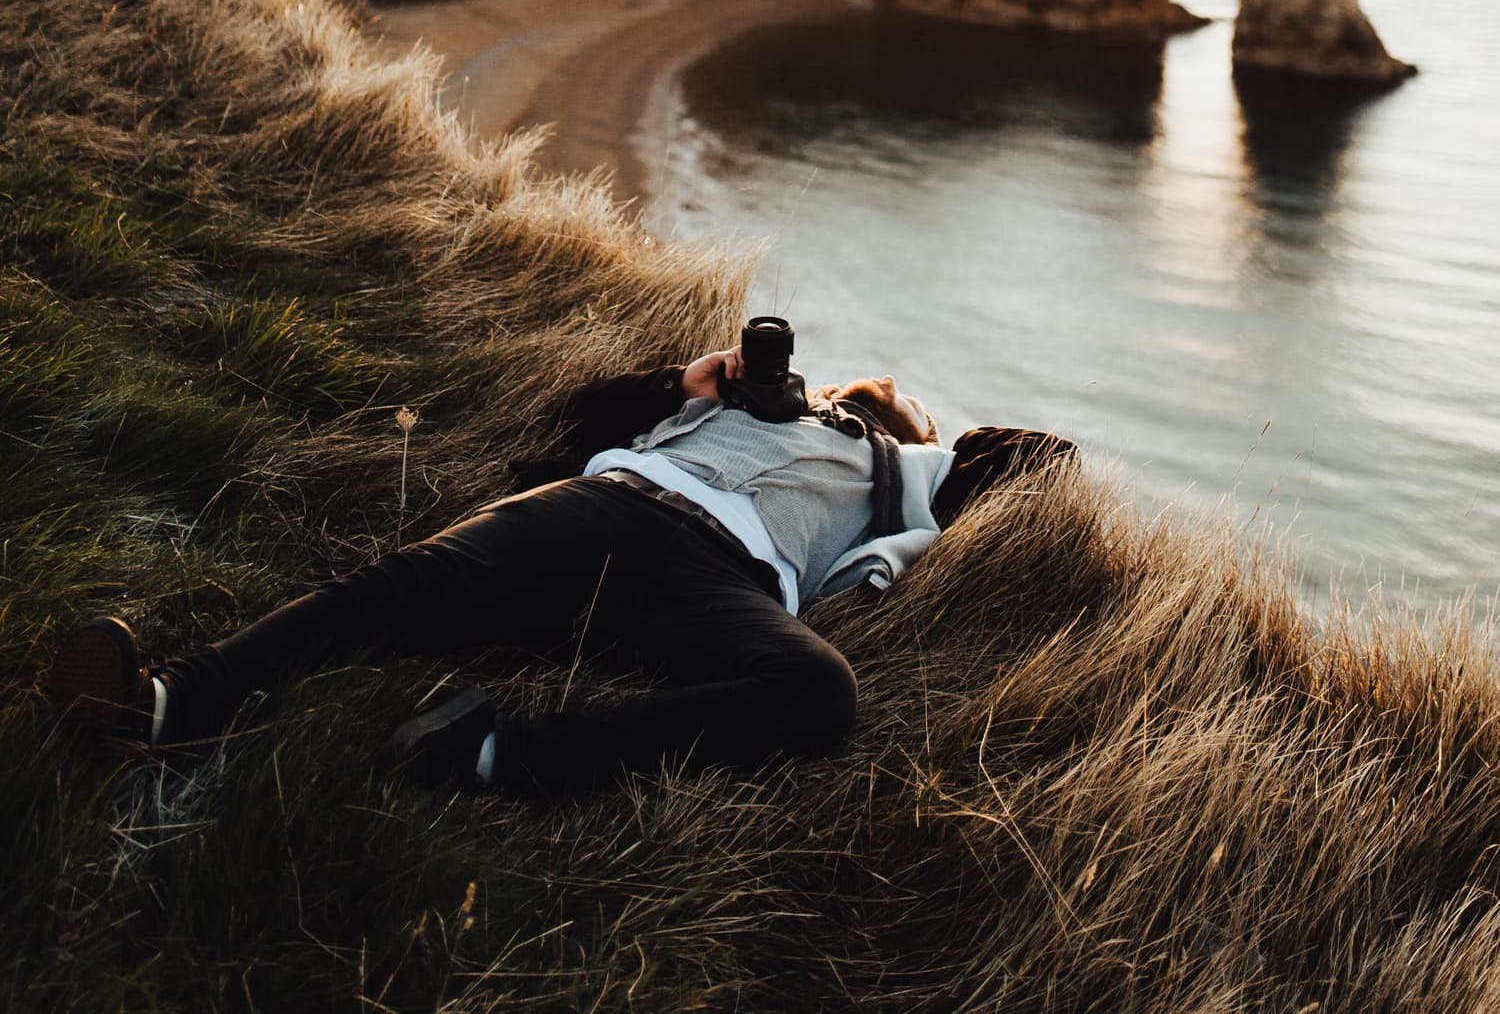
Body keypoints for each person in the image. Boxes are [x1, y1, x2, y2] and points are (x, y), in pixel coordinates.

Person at [50, 342, 1075, 799]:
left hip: (723, 580)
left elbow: (1042, 459)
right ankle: (165, 704)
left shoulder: (902, 472)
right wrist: (686, 380)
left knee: (819, 690)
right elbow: (579, 420)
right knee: (401, 587)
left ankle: (495, 758)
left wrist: (930, 442)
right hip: (606, 505)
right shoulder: (733, 401)